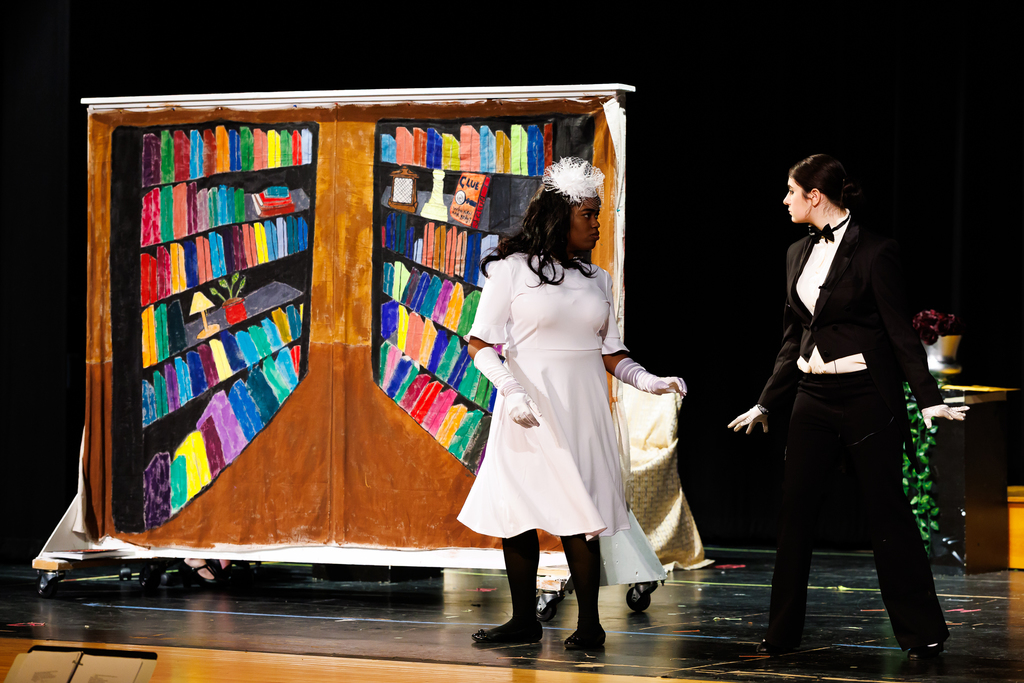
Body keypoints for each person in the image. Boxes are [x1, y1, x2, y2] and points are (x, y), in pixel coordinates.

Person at [727, 154, 967, 660]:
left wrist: (928, 400)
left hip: (864, 397)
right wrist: (766, 401)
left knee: (887, 513)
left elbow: (900, 333)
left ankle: (922, 631)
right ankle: (781, 633)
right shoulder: (796, 252)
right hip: (812, 398)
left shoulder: (877, 252)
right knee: (794, 516)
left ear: (815, 196)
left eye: (791, 191)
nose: (785, 199)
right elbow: (793, 338)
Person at [457, 157, 686, 650]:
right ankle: (523, 620)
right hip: (528, 410)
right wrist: (511, 391)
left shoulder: (597, 280)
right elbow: (478, 343)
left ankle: (590, 624)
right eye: (588, 214)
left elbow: (612, 353)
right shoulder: (510, 270)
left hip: (581, 412)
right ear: (560, 218)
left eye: (597, 214)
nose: (597, 224)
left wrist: (650, 380)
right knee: (519, 513)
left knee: (583, 517)